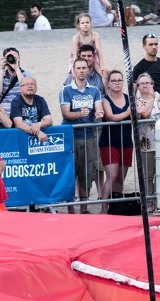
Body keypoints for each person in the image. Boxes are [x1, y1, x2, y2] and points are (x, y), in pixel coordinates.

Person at [59, 57, 104, 212]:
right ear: (73, 70)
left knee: (86, 172)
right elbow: (65, 113)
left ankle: (84, 208)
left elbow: (98, 108)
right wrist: (79, 113)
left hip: (88, 136)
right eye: (78, 68)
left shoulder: (94, 90)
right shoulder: (66, 90)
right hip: (71, 136)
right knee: (71, 173)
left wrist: (99, 113)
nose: (81, 71)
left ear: (88, 70)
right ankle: (71, 209)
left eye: (84, 68)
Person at [99, 70, 132, 212]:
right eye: (114, 80)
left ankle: (116, 207)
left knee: (120, 178)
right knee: (111, 176)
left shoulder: (128, 98)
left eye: (120, 80)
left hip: (126, 142)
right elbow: (111, 117)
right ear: (108, 83)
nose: (117, 83)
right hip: (109, 142)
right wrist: (130, 111)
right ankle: (104, 208)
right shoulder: (105, 100)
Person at [135, 74, 160, 199]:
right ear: (138, 86)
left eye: (147, 82)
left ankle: (159, 201)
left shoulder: (159, 96)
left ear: (152, 84)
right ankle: (149, 202)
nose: (145, 85)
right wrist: (152, 100)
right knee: (148, 175)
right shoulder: (137, 100)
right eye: (142, 83)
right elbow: (145, 115)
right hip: (146, 142)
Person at [10, 77, 53, 141]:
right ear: (20, 89)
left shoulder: (40, 100)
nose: (30, 86)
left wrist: (39, 124)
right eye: (26, 84)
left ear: (36, 88)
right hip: (19, 138)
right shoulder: (16, 101)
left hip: (34, 139)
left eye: (32, 84)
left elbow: (49, 120)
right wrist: (37, 132)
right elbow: (18, 124)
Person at [0, 47, 32, 115]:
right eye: (10, 57)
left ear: (19, 59)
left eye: (15, 57)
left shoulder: (26, 74)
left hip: (22, 113)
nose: (12, 59)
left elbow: (26, 90)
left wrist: (16, 68)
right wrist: (1, 69)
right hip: (4, 114)